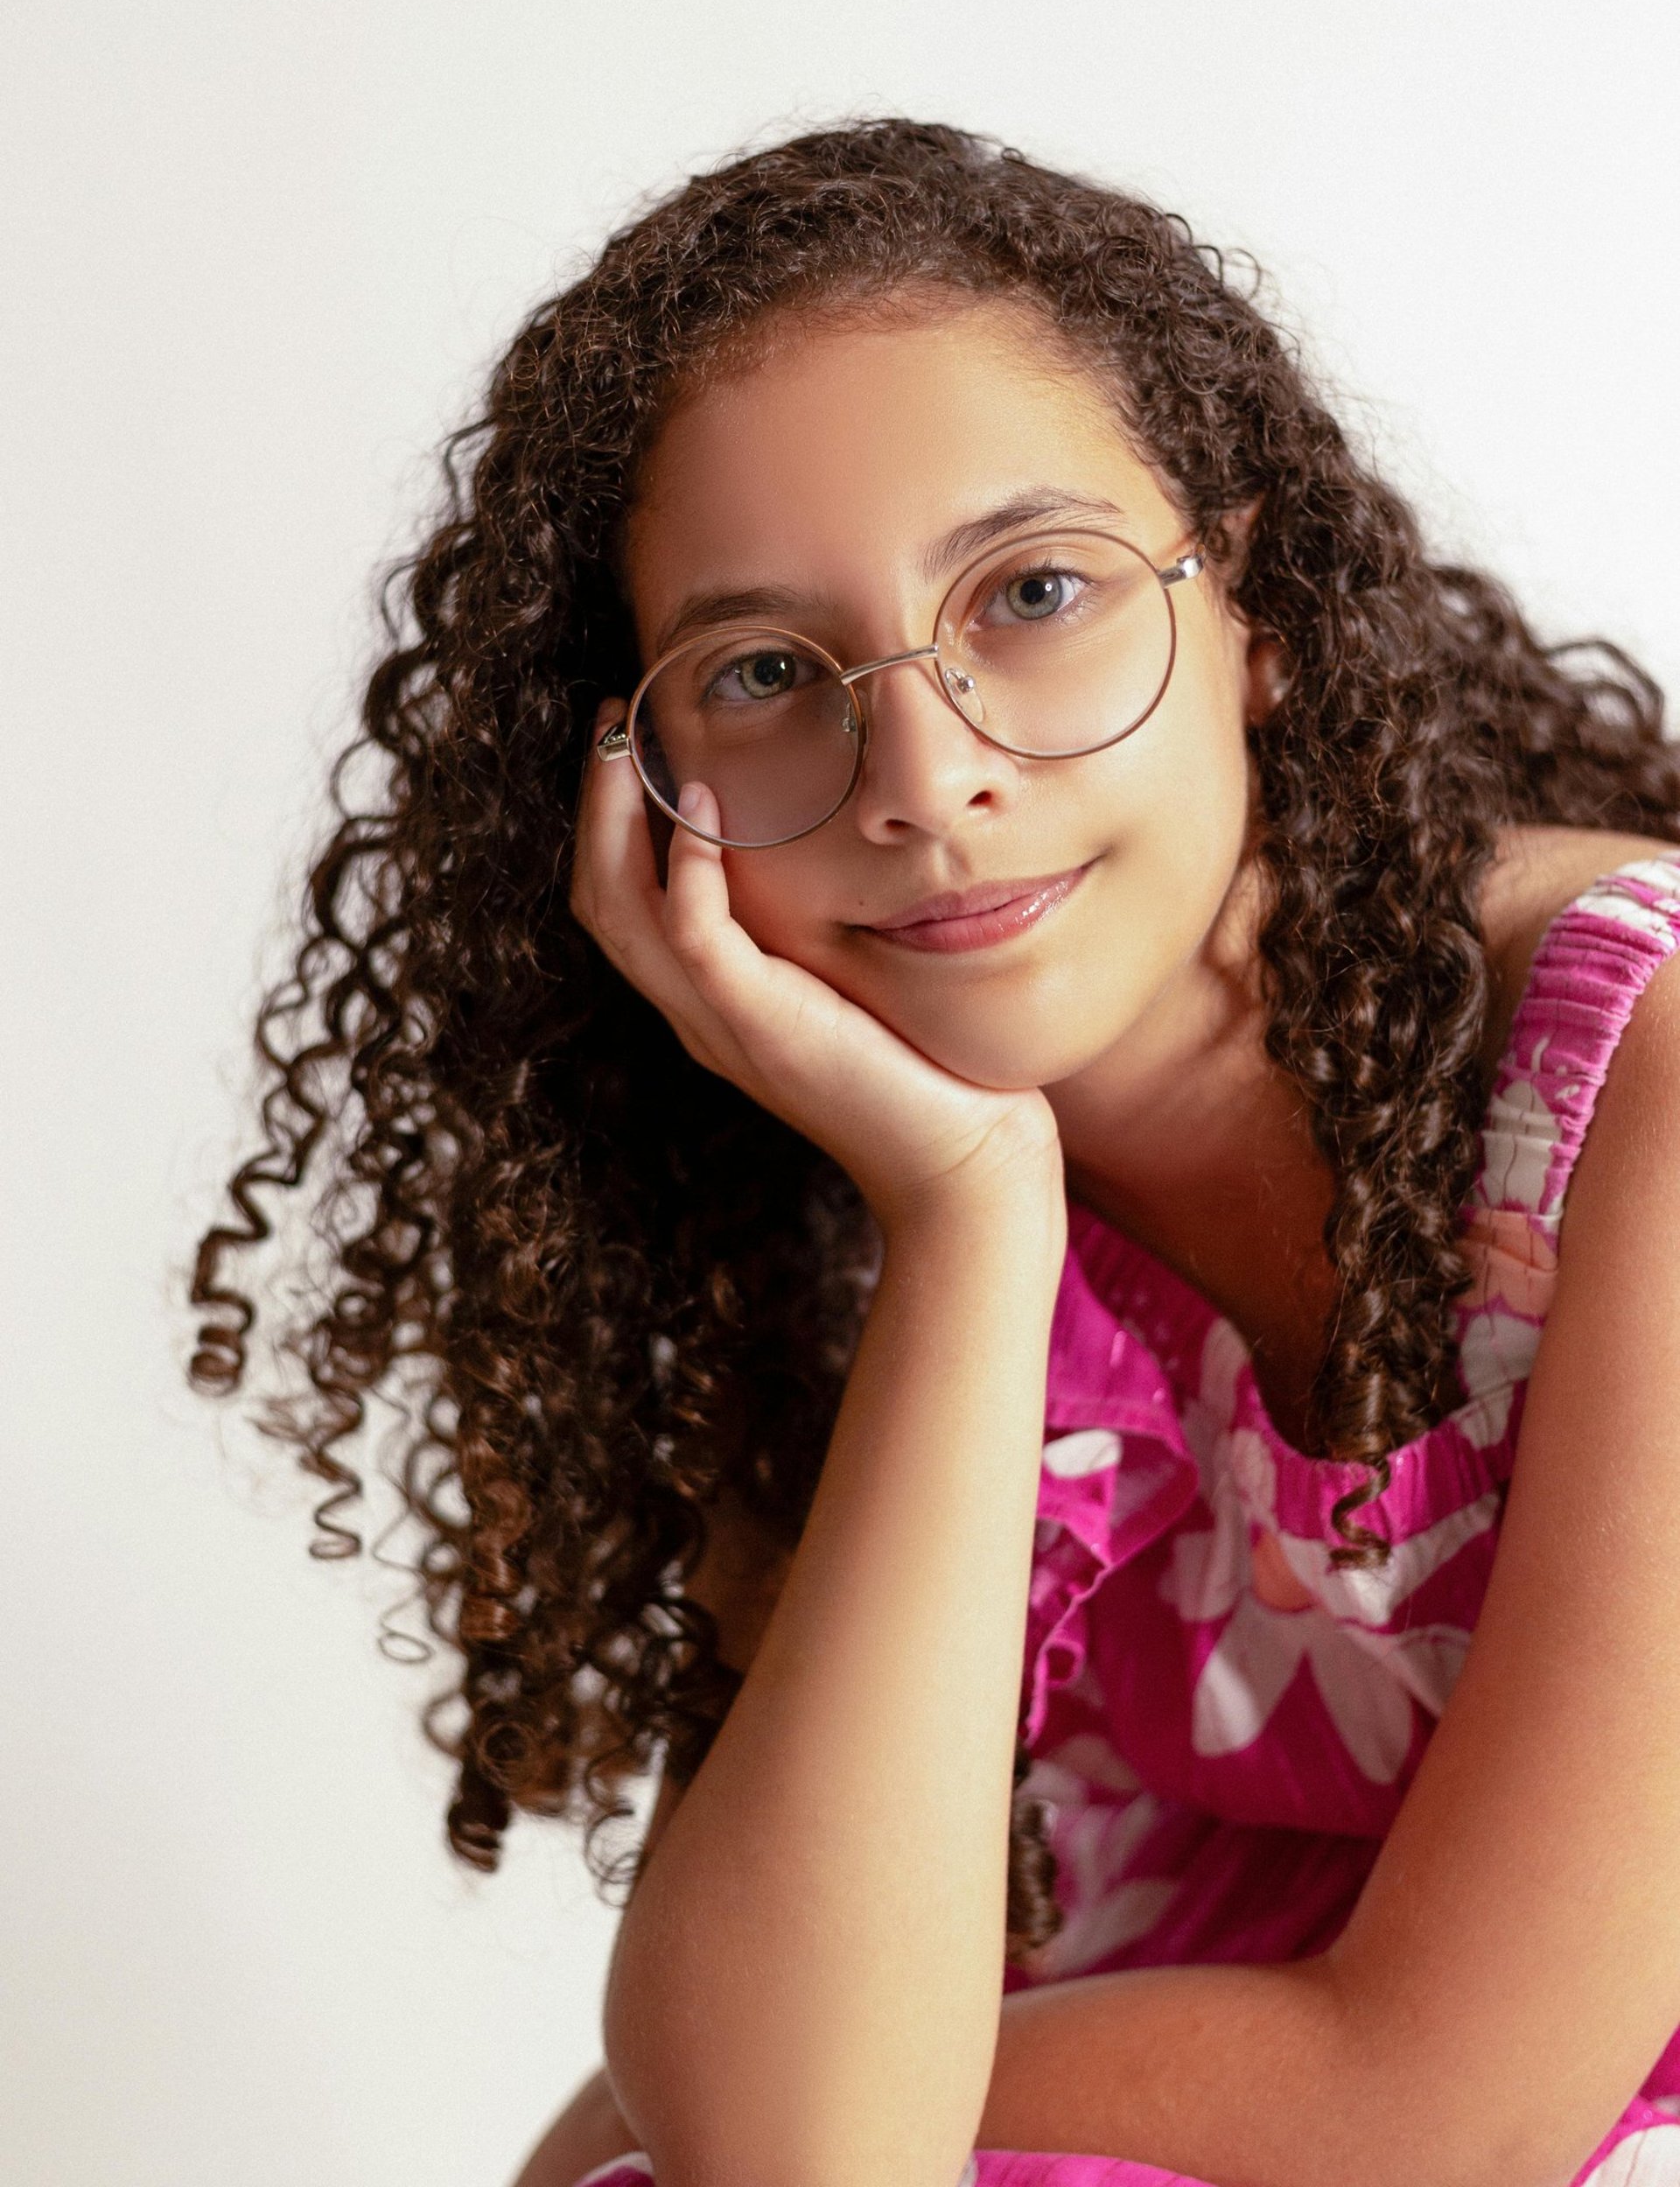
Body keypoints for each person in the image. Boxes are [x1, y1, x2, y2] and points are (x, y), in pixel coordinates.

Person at [187, 117, 1680, 2187]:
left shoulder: (1657, 1081)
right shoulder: (853, 1213)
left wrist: (716, 2114)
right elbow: (794, 2135)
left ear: (1250, 608)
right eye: (771, 674)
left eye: (1038, 591)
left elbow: (1453, 2103)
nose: (926, 776)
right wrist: (974, 1225)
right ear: (643, 794)